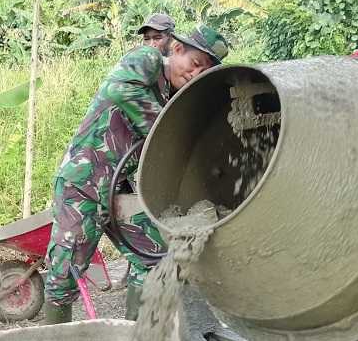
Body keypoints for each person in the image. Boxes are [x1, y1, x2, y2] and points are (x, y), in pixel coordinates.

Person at [44, 26, 228, 324]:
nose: (195, 74)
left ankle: (133, 340)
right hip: (84, 184)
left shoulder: (171, 97)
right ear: (178, 49)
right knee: (65, 274)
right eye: (195, 64)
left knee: (155, 260)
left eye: (203, 72)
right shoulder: (148, 59)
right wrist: (166, 127)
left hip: (121, 191)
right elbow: (120, 90)